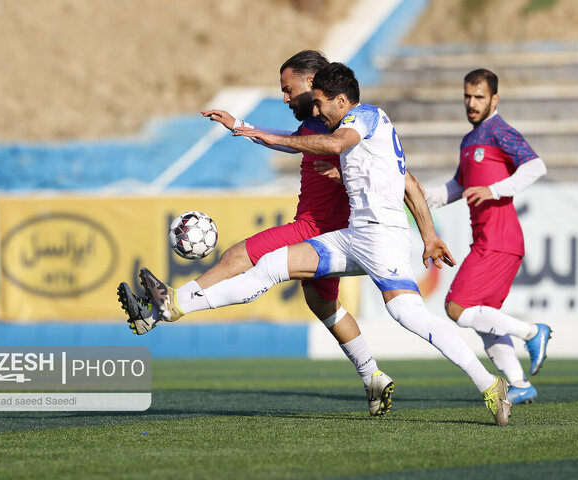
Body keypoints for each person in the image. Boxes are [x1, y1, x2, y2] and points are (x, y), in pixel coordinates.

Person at [136, 62, 513, 425]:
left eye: (319, 102)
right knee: (271, 266)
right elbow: (407, 183)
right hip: (353, 235)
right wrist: (430, 236)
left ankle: (490, 384)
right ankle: (176, 306)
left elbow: (338, 145)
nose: (313, 109)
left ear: (342, 101)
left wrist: (269, 135)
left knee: (408, 315)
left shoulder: (363, 117)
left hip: (383, 239)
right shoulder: (357, 131)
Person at [423, 68, 551, 405]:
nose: (471, 103)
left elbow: (536, 167)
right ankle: (520, 384)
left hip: (499, 239)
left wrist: (494, 190)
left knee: (456, 307)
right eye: (467, 96)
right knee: (483, 322)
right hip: (488, 241)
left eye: (479, 96)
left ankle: (532, 332)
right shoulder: (469, 140)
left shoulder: (499, 132)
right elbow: (459, 187)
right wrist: (422, 195)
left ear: (494, 99)